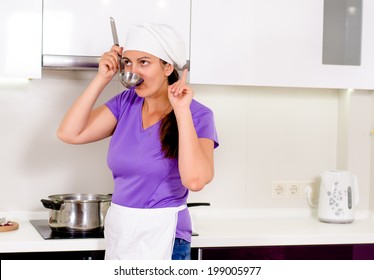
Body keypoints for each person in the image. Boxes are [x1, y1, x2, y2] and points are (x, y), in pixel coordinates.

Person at [57, 23, 219, 260]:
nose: (133, 71)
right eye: (128, 63)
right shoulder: (126, 103)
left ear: (167, 68)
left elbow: (195, 180)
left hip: (165, 237)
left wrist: (181, 110)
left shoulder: (198, 115)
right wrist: (102, 78)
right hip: (121, 232)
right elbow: (69, 133)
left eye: (144, 62)